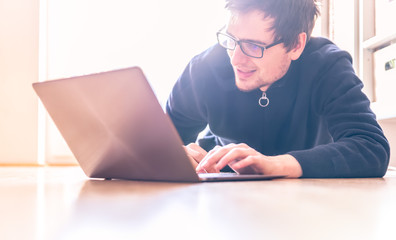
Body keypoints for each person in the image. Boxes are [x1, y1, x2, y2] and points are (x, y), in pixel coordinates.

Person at [165, 0, 390, 178]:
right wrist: (174, 154)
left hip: (309, 195)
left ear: (296, 45)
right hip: (222, 193)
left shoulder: (327, 65)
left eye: (254, 46)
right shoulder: (204, 68)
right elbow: (161, 140)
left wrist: (276, 164)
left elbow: (371, 148)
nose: (235, 59)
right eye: (230, 39)